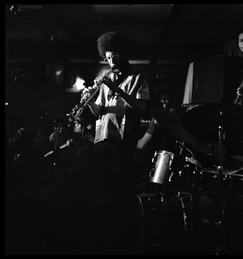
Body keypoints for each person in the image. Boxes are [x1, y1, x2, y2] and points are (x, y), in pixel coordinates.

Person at [80, 31, 150, 254]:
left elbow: (142, 108)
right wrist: (87, 102)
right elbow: (100, 110)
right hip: (102, 140)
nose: (111, 61)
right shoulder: (105, 79)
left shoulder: (139, 76)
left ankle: (126, 245)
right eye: (107, 57)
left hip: (123, 141)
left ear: (123, 53)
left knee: (122, 197)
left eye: (114, 56)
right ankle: (103, 242)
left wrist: (118, 91)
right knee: (101, 194)